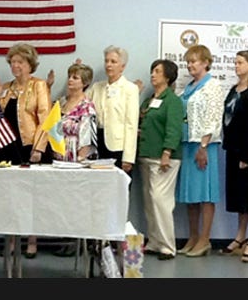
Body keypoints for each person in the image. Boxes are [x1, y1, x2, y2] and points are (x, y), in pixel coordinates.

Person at [0, 42, 52, 259]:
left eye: (20, 62)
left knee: (32, 196)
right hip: (8, 149)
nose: (15, 66)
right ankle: (12, 239)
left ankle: (32, 240)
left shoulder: (39, 86)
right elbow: (1, 117)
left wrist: (39, 148)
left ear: (30, 64)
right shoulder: (8, 87)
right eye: (13, 62)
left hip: (30, 148)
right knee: (10, 196)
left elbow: (46, 120)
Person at [219, 50, 248, 263]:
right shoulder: (233, 89)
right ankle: (240, 236)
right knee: (240, 197)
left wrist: (247, 155)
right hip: (233, 149)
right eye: (235, 62)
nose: (236, 66)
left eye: (240, 62)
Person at [176, 44, 224, 257]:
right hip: (187, 144)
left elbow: (214, 118)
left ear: (206, 62)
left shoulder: (212, 86)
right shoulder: (188, 87)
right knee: (190, 194)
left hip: (204, 145)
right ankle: (193, 237)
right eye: (188, 62)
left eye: (194, 61)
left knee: (205, 193)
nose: (190, 65)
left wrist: (203, 146)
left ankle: (205, 239)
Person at [52, 62, 98, 257]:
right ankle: (62, 239)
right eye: (70, 76)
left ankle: (76, 242)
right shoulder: (61, 102)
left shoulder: (87, 106)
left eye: (75, 77)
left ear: (84, 83)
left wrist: (80, 159)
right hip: (59, 156)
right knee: (61, 200)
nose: (70, 80)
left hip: (76, 158)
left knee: (76, 201)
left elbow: (88, 136)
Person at [138, 59, 183, 261]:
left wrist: (167, 152)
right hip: (147, 155)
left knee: (161, 200)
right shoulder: (149, 100)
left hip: (164, 158)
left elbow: (174, 129)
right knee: (150, 201)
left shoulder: (172, 101)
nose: (153, 75)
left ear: (167, 77)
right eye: (152, 70)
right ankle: (155, 241)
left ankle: (167, 245)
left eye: (157, 71)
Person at [87, 45, 140, 175]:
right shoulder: (97, 87)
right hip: (97, 144)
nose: (108, 65)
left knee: (119, 189)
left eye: (113, 62)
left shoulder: (130, 89)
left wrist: (128, 157)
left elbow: (131, 125)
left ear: (122, 66)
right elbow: (81, 104)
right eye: (106, 61)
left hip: (118, 147)